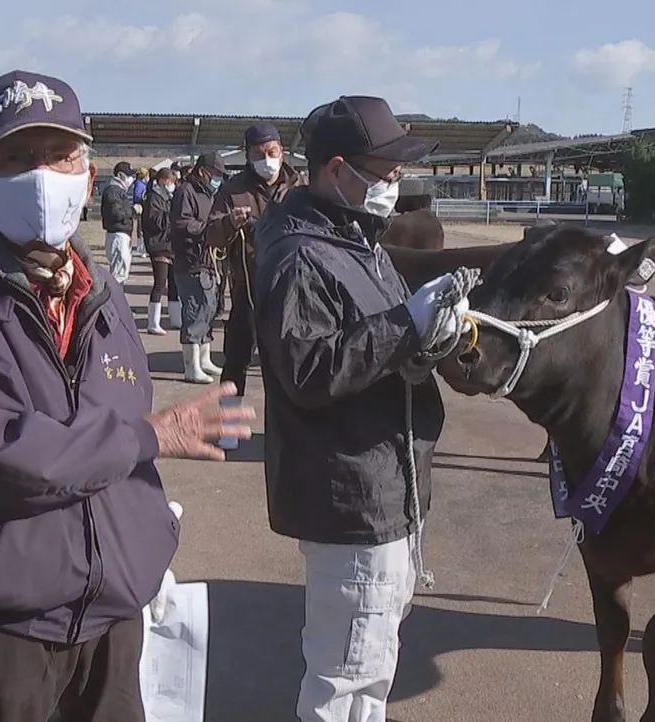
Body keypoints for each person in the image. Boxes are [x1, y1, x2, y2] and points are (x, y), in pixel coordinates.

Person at [0, 69, 253, 722]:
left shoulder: (100, 293)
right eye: (14, 159)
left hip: (114, 608)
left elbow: (111, 433)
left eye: (60, 155)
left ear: (87, 171)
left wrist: (145, 541)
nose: (42, 175)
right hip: (11, 621)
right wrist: (148, 437)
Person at [252, 95, 472, 722]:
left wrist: (432, 339)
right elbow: (308, 370)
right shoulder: (299, 255)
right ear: (338, 168)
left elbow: (385, 350)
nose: (394, 183)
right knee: (345, 676)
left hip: (386, 486)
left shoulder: (358, 241)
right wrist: (407, 323)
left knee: (369, 666)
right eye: (385, 170)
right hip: (352, 495)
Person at [205, 122, 304, 397]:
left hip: (293, 291)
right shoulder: (232, 190)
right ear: (247, 156)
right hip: (247, 289)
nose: (267, 160)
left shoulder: (300, 187)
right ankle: (229, 424)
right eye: (258, 155)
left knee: (289, 362)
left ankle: (284, 430)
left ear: (281, 150)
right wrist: (229, 223)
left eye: (271, 152)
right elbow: (211, 235)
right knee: (236, 359)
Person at [170, 151, 227, 384]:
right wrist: (208, 230)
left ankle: (204, 359)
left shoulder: (210, 193)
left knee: (208, 307)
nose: (217, 178)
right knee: (194, 310)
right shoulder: (186, 191)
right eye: (215, 174)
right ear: (203, 171)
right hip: (191, 260)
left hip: (209, 261)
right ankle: (190, 365)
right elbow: (182, 223)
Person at [141, 167, 179, 335]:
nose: (172, 186)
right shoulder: (153, 198)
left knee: (174, 283)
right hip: (158, 246)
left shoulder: (168, 198)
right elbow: (156, 222)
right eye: (171, 182)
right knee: (160, 283)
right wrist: (172, 213)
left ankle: (176, 318)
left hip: (170, 245)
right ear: (163, 181)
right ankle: (153, 322)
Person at [101, 161, 137, 285]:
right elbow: (116, 213)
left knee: (120, 272)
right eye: (129, 176)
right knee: (118, 275)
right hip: (117, 235)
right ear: (121, 175)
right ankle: (115, 302)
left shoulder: (118, 191)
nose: (131, 179)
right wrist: (133, 210)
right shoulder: (113, 191)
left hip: (121, 234)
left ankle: (116, 300)